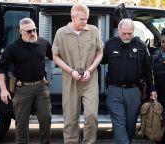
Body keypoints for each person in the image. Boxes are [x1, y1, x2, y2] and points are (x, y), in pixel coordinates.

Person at [51, 4, 103, 144]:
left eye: (86, 19)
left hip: (90, 79)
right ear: (72, 17)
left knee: (91, 115)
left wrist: (90, 69)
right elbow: (55, 56)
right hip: (70, 79)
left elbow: (100, 53)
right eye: (81, 19)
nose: (85, 22)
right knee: (70, 117)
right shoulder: (61, 33)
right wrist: (71, 71)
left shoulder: (94, 30)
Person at [101, 18, 157, 144]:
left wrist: (152, 90)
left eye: (129, 33)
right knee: (119, 124)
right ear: (118, 31)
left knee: (130, 126)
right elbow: (100, 61)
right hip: (114, 91)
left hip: (134, 91)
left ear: (133, 31)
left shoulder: (141, 46)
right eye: (124, 33)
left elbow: (148, 70)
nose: (127, 36)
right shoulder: (110, 44)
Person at [0, 18, 52, 144]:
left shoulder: (43, 43)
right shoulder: (12, 48)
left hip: (41, 87)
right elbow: (0, 69)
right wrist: (3, 90)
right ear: (20, 31)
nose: (32, 33)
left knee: (46, 117)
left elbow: (56, 56)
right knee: (21, 122)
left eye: (34, 30)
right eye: (28, 31)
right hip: (22, 89)